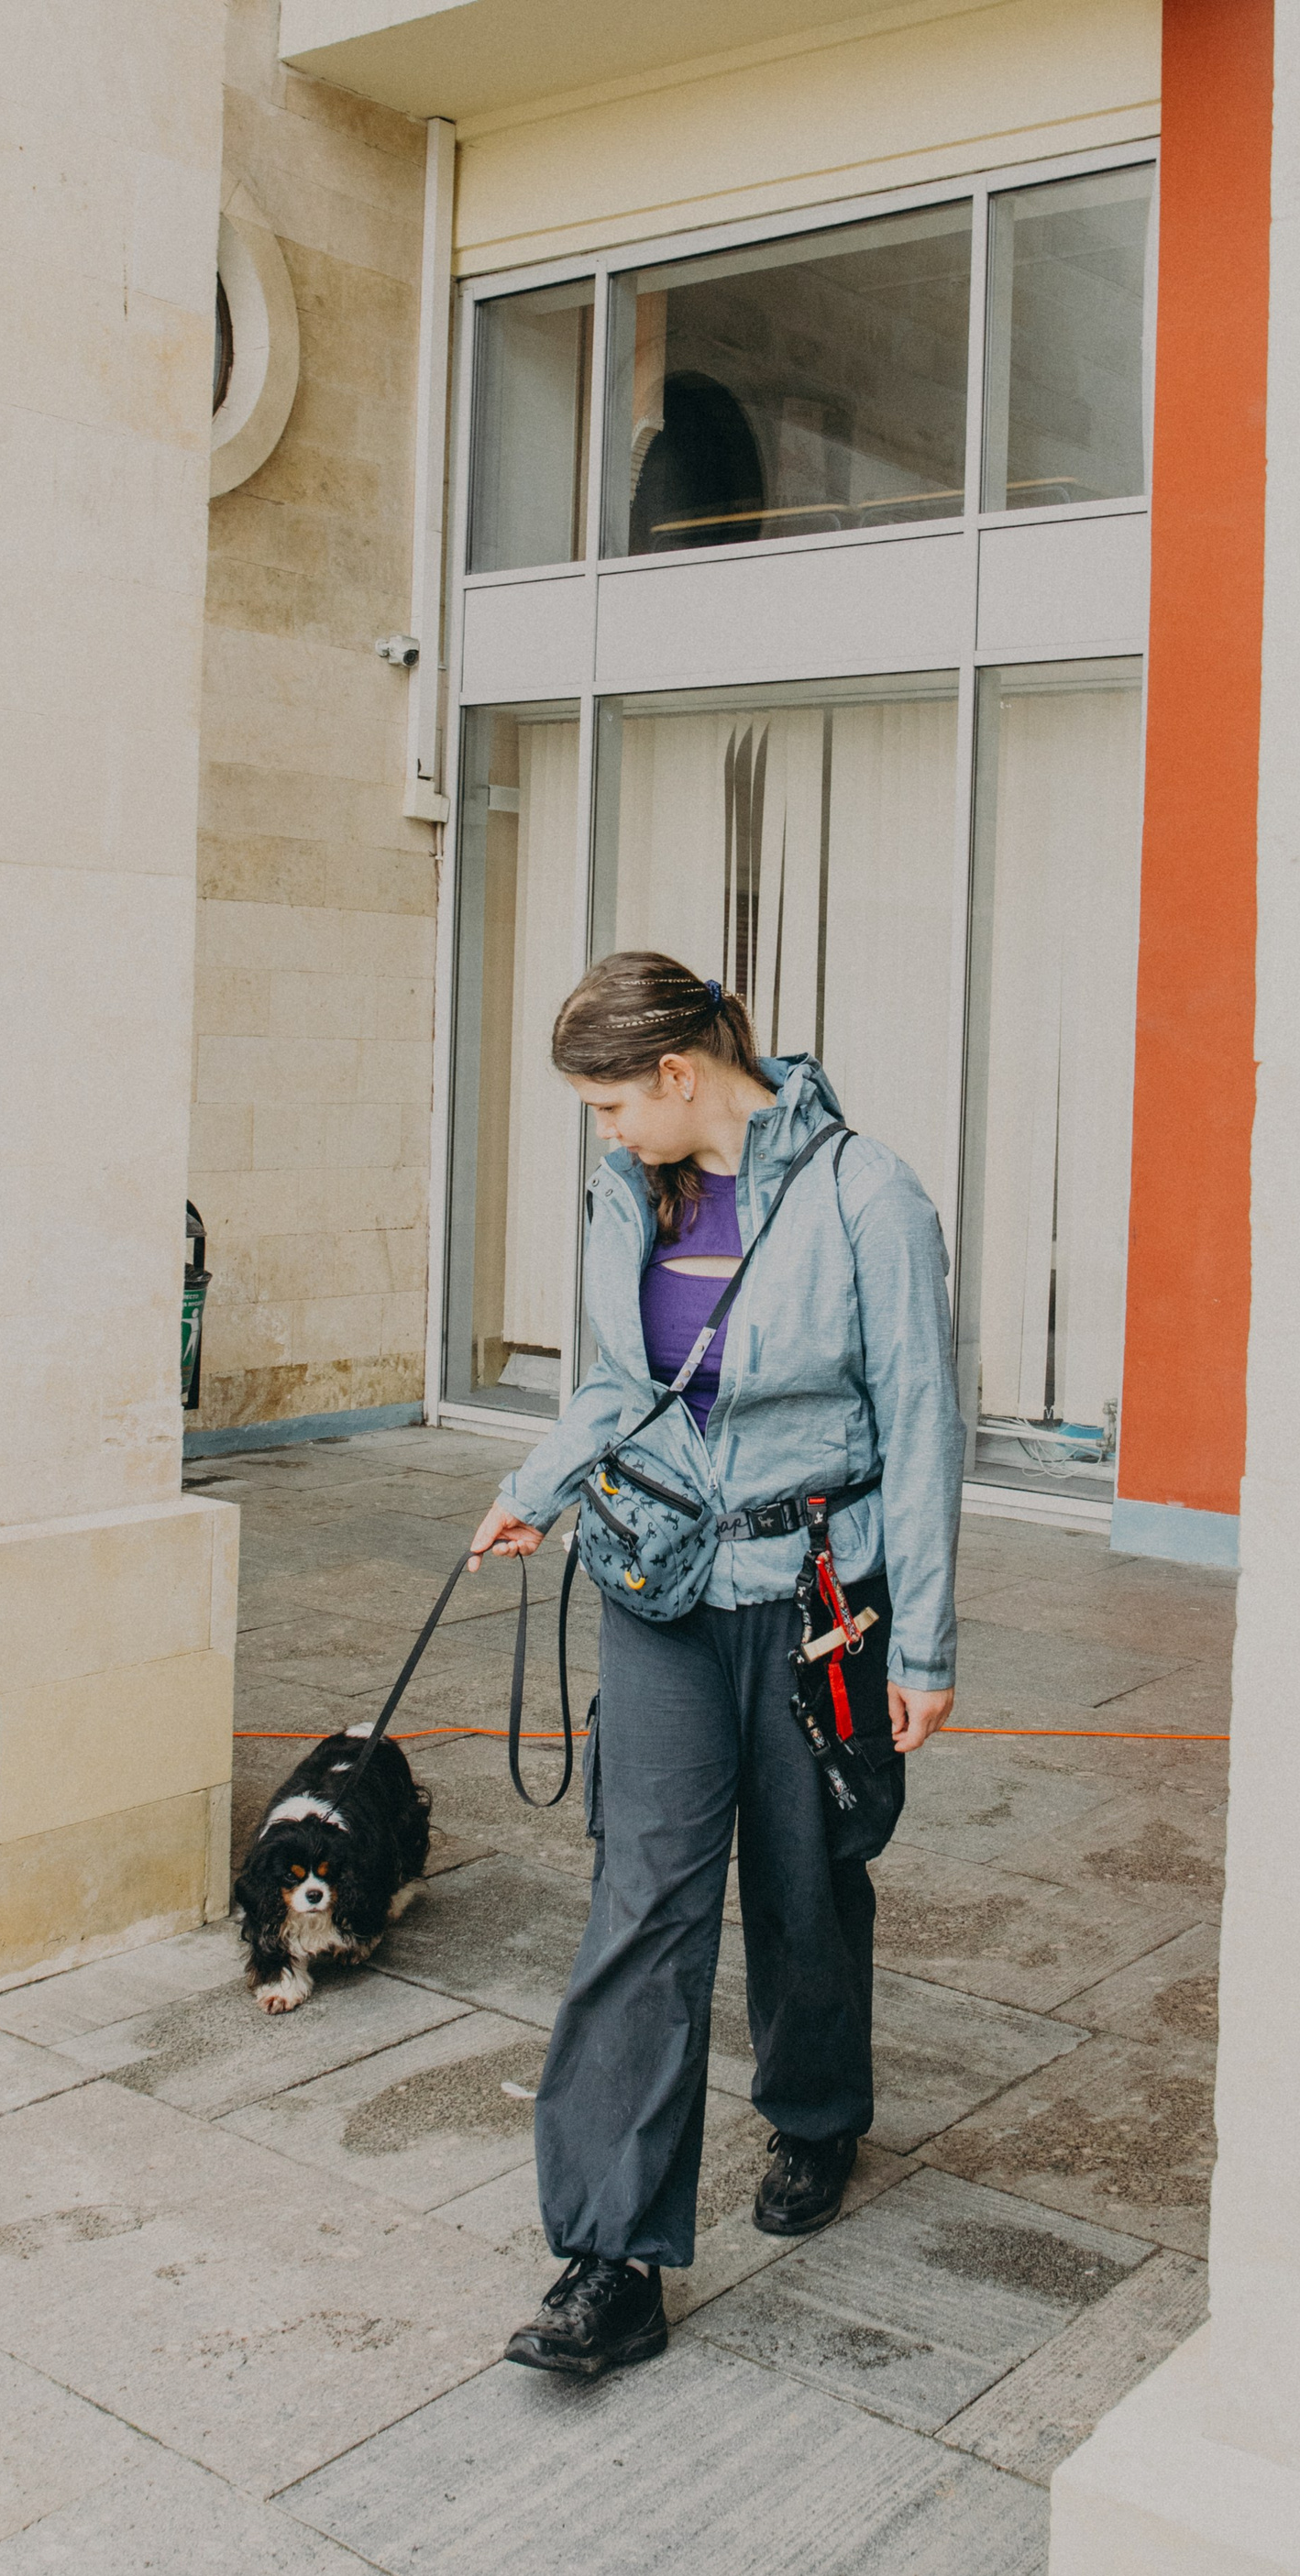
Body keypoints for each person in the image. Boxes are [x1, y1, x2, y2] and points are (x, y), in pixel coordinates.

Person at [467, 949, 963, 2376]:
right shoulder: (630, 1193)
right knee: (645, 1899)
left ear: (681, 1075)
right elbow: (619, 1385)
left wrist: (922, 1640)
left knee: (808, 1884)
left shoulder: (869, 1195)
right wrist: (541, 1481)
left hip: (818, 1596)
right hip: (663, 1584)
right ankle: (605, 2258)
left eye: (614, 1104)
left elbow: (919, 1424)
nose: (604, 1133)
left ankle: (814, 2116)